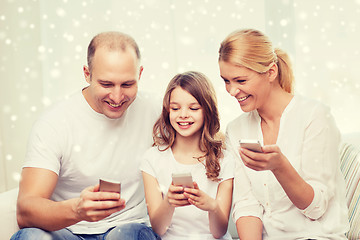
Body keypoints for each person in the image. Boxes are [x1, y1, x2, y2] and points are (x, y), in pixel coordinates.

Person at [11, 32, 161, 240]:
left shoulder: (156, 111)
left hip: (128, 228)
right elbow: (26, 211)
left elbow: (203, 137)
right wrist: (77, 210)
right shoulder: (54, 123)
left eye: (127, 84)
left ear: (140, 74)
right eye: (106, 84)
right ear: (87, 73)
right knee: (30, 237)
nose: (117, 97)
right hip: (68, 232)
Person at [218, 29, 349, 239]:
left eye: (240, 81)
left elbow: (317, 208)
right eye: (226, 81)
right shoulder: (236, 130)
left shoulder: (315, 117)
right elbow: (247, 206)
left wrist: (280, 167)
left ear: (271, 72)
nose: (232, 91)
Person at [140, 71, 234, 239]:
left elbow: (219, 232)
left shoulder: (225, 160)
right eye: (175, 108)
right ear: (168, 111)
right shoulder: (152, 159)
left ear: (207, 111)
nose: (183, 114)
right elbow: (159, 229)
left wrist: (212, 206)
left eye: (193, 108)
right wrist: (169, 201)